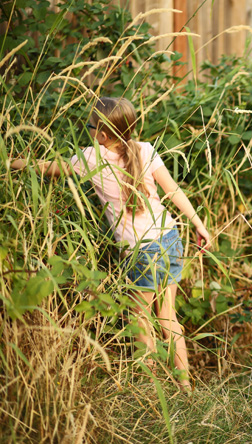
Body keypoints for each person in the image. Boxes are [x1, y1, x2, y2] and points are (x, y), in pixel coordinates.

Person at [11, 97, 211, 391]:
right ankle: (186, 389)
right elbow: (173, 190)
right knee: (168, 316)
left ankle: (152, 393)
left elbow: (46, 167)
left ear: (103, 134)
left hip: (140, 250)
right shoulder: (145, 149)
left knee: (140, 319)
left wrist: (9, 162)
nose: (89, 132)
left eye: (91, 127)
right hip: (169, 237)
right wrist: (199, 223)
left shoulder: (91, 158)